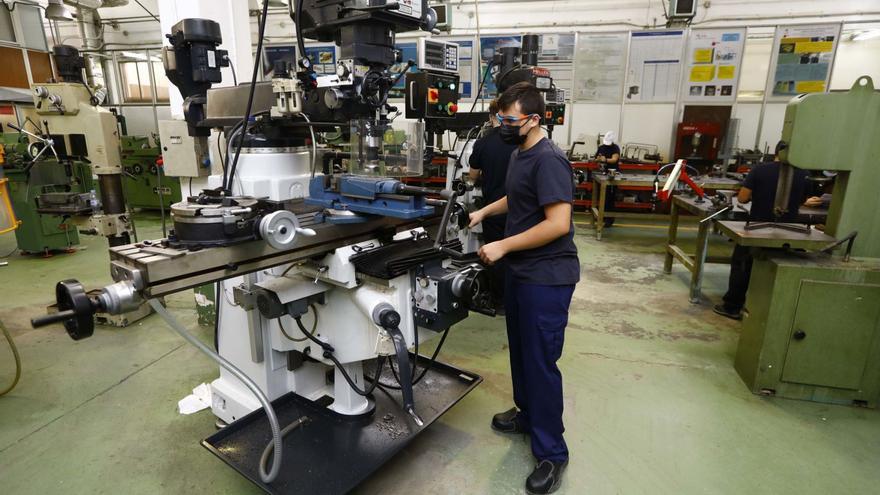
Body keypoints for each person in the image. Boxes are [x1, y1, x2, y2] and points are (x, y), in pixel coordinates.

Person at [468, 82, 580, 495]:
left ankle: (552, 452)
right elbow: (515, 198)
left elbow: (558, 224)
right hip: (521, 272)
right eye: (500, 117)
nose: (502, 124)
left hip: (547, 277)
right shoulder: (520, 153)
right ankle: (527, 415)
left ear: (534, 119)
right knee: (520, 349)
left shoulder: (550, 160)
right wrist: (483, 211)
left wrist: (502, 244)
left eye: (509, 119)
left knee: (541, 362)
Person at [714, 141, 808, 320]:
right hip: (790, 231)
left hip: (758, 228)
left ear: (776, 152)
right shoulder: (804, 173)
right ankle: (775, 311)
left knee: (743, 264)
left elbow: (742, 199)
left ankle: (732, 306)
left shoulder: (760, 170)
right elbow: (803, 200)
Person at [468, 99, 518, 309]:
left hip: (493, 211)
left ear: (492, 117)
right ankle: (516, 299)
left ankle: (498, 302)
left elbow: (472, 176)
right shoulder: (520, 141)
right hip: (518, 211)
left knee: (494, 256)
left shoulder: (483, 143)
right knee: (516, 254)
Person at [595, 131, 620, 227]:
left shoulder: (615, 148)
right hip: (602, 173)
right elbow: (597, 158)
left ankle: (609, 219)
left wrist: (605, 159)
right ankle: (601, 216)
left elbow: (614, 159)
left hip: (612, 174)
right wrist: (598, 159)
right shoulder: (601, 147)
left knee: (610, 197)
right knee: (601, 197)